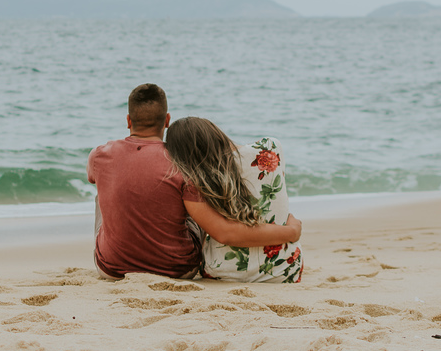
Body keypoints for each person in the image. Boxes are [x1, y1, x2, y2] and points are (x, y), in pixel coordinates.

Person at [87, 84, 301, 279]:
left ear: (128, 121)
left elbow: (94, 178)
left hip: (112, 269)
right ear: (167, 120)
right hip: (177, 270)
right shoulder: (182, 162)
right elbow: (223, 232)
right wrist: (291, 232)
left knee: (102, 192)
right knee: (188, 198)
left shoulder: (99, 155)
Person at [164, 117, 303, 283]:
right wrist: (292, 231)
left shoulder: (194, 181)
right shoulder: (270, 148)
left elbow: (224, 234)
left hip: (224, 273)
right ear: (215, 133)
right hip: (284, 271)